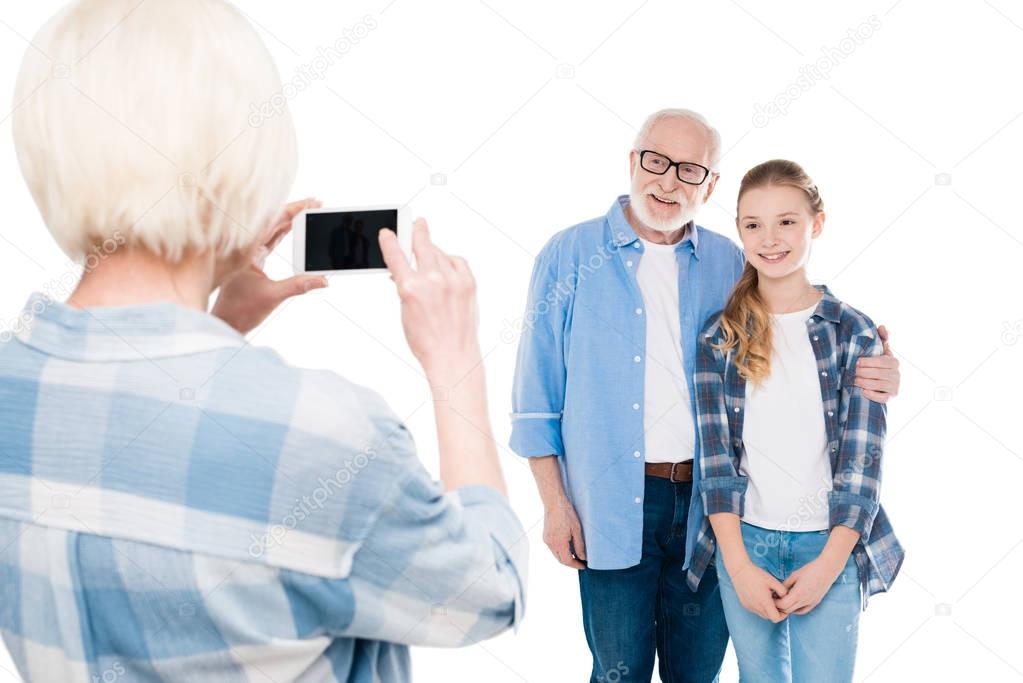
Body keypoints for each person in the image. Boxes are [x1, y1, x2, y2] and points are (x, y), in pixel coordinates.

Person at [0, 1, 525, 681]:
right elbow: (489, 591)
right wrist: (456, 365)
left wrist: (214, 322)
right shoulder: (324, 433)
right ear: (245, 158)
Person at [510, 110, 901, 682]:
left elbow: (798, 310)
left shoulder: (727, 260)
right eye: (657, 161)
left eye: (690, 170)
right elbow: (534, 397)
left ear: (709, 185)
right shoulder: (569, 256)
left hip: (711, 508)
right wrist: (554, 504)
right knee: (619, 669)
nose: (669, 181)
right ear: (632, 162)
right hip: (610, 504)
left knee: (699, 672)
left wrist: (877, 362)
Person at [685, 159, 904, 682]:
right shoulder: (719, 338)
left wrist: (828, 566)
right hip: (745, 543)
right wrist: (738, 566)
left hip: (830, 543)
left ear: (817, 224)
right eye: (752, 224)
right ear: (738, 230)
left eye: (787, 221)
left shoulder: (853, 333)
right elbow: (717, 465)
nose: (770, 239)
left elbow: (861, 466)